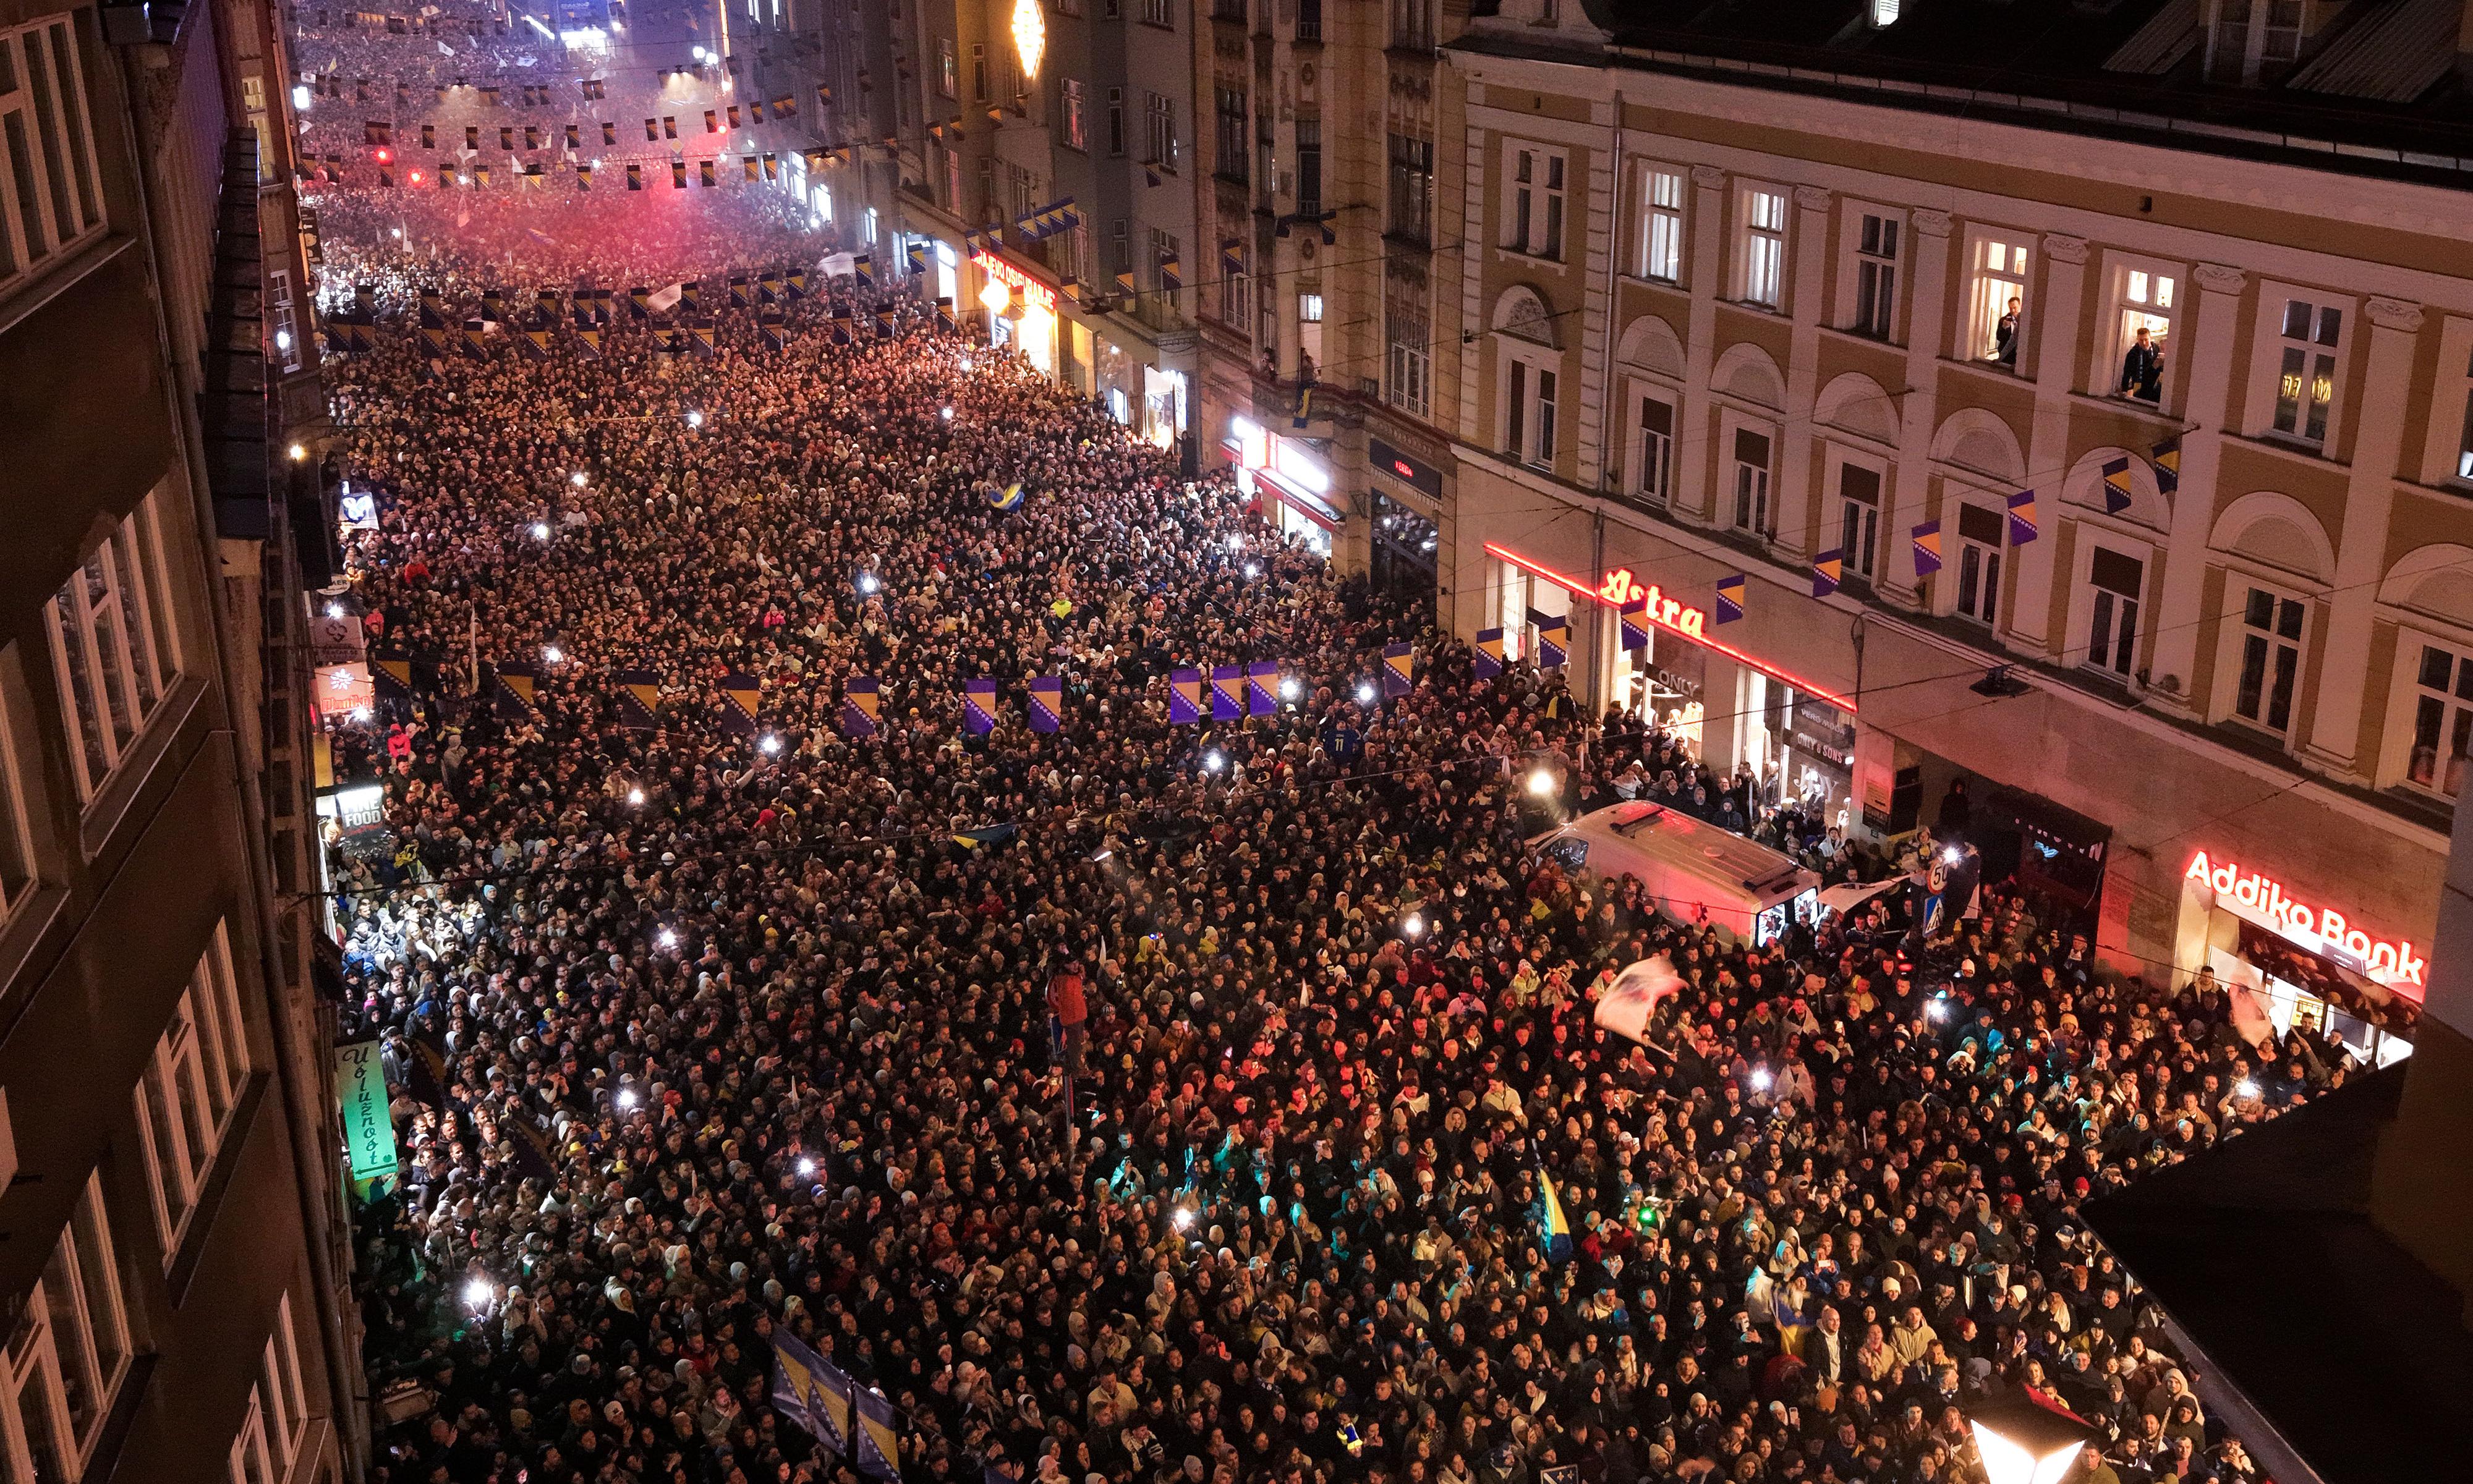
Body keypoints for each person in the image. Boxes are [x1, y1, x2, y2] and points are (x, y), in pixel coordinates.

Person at [2120, 324, 2165, 402]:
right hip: (2139, 385)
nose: (2144, 343)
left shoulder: (2156, 349)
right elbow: (2127, 373)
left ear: (2150, 338)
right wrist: (2124, 390)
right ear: (2137, 339)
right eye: (2141, 340)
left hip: (2155, 384)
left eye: (2146, 340)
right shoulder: (2133, 354)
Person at [1994, 295, 2022, 367]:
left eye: (2015, 308)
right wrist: (2004, 327)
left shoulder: (2023, 319)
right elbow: (2000, 338)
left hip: (2018, 357)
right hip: (2006, 357)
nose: (2013, 311)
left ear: (2020, 306)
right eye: (2010, 308)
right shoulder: (2004, 320)